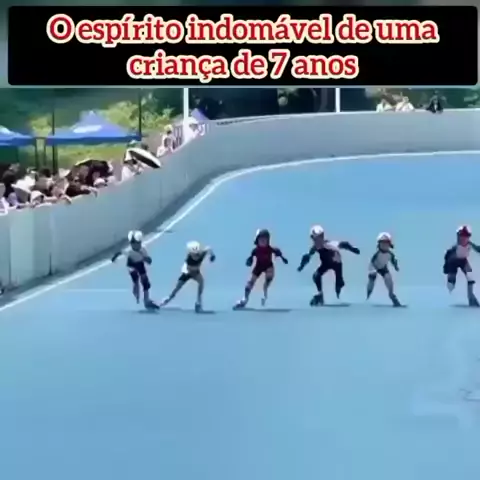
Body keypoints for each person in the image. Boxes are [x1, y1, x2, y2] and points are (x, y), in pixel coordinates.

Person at [297, 225, 360, 306]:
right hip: (325, 264)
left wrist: (353, 249)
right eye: (314, 239)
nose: (317, 241)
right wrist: (301, 266)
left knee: (339, 284)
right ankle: (320, 294)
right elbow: (307, 257)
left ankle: (339, 292)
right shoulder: (314, 248)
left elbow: (344, 244)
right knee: (316, 276)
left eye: (319, 237)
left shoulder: (330, 244)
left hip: (336, 264)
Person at [234, 229, 288, 309]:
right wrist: (249, 261)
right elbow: (250, 258)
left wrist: (282, 258)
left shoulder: (270, 249)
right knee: (250, 282)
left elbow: (278, 252)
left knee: (267, 280)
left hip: (268, 266)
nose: (263, 241)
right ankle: (245, 298)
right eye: (261, 239)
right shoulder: (255, 251)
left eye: (265, 239)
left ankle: (264, 296)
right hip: (258, 267)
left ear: (268, 240)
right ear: (257, 240)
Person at [160, 241, 215, 312]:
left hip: (196, 273)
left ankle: (198, 302)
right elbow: (186, 268)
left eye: (197, 253)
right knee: (177, 288)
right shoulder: (189, 259)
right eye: (193, 254)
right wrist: (186, 272)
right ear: (190, 253)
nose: (196, 255)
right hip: (187, 273)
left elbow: (209, 248)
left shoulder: (202, 253)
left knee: (201, 283)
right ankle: (167, 300)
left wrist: (212, 255)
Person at [111, 230, 159, 310]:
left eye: (138, 243)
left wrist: (145, 258)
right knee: (136, 281)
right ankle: (136, 294)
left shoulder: (142, 250)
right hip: (131, 265)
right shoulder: (129, 250)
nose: (137, 245)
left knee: (145, 282)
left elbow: (149, 261)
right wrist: (114, 258)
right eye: (134, 243)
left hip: (140, 264)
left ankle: (146, 300)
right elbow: (120, 252)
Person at [443, 225, 480, 307]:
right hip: (452, 262)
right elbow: (447, 257)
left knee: (470, 276)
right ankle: (450, 285)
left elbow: (477, 249)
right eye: (462, 237)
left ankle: (471, 296)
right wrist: (446, 268)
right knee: (451, 280)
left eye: (466, 237)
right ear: (458, 237)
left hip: (463, 261)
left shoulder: (469, 244)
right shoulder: (454, 247)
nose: (464, 239)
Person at [366, 232, 402, 307]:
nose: (384, 245)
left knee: (389, 280)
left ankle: (393, 297)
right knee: (372, 277)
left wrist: (396, 267)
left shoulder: (390, 254)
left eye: (386, 243)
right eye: (382, 243)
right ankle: (368, 295)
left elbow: (394, 261)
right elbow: (371, 262)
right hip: (374, 267)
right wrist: (372, 270)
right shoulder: (377, 254)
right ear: (379, 245)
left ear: (389, 245)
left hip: (383, 268)